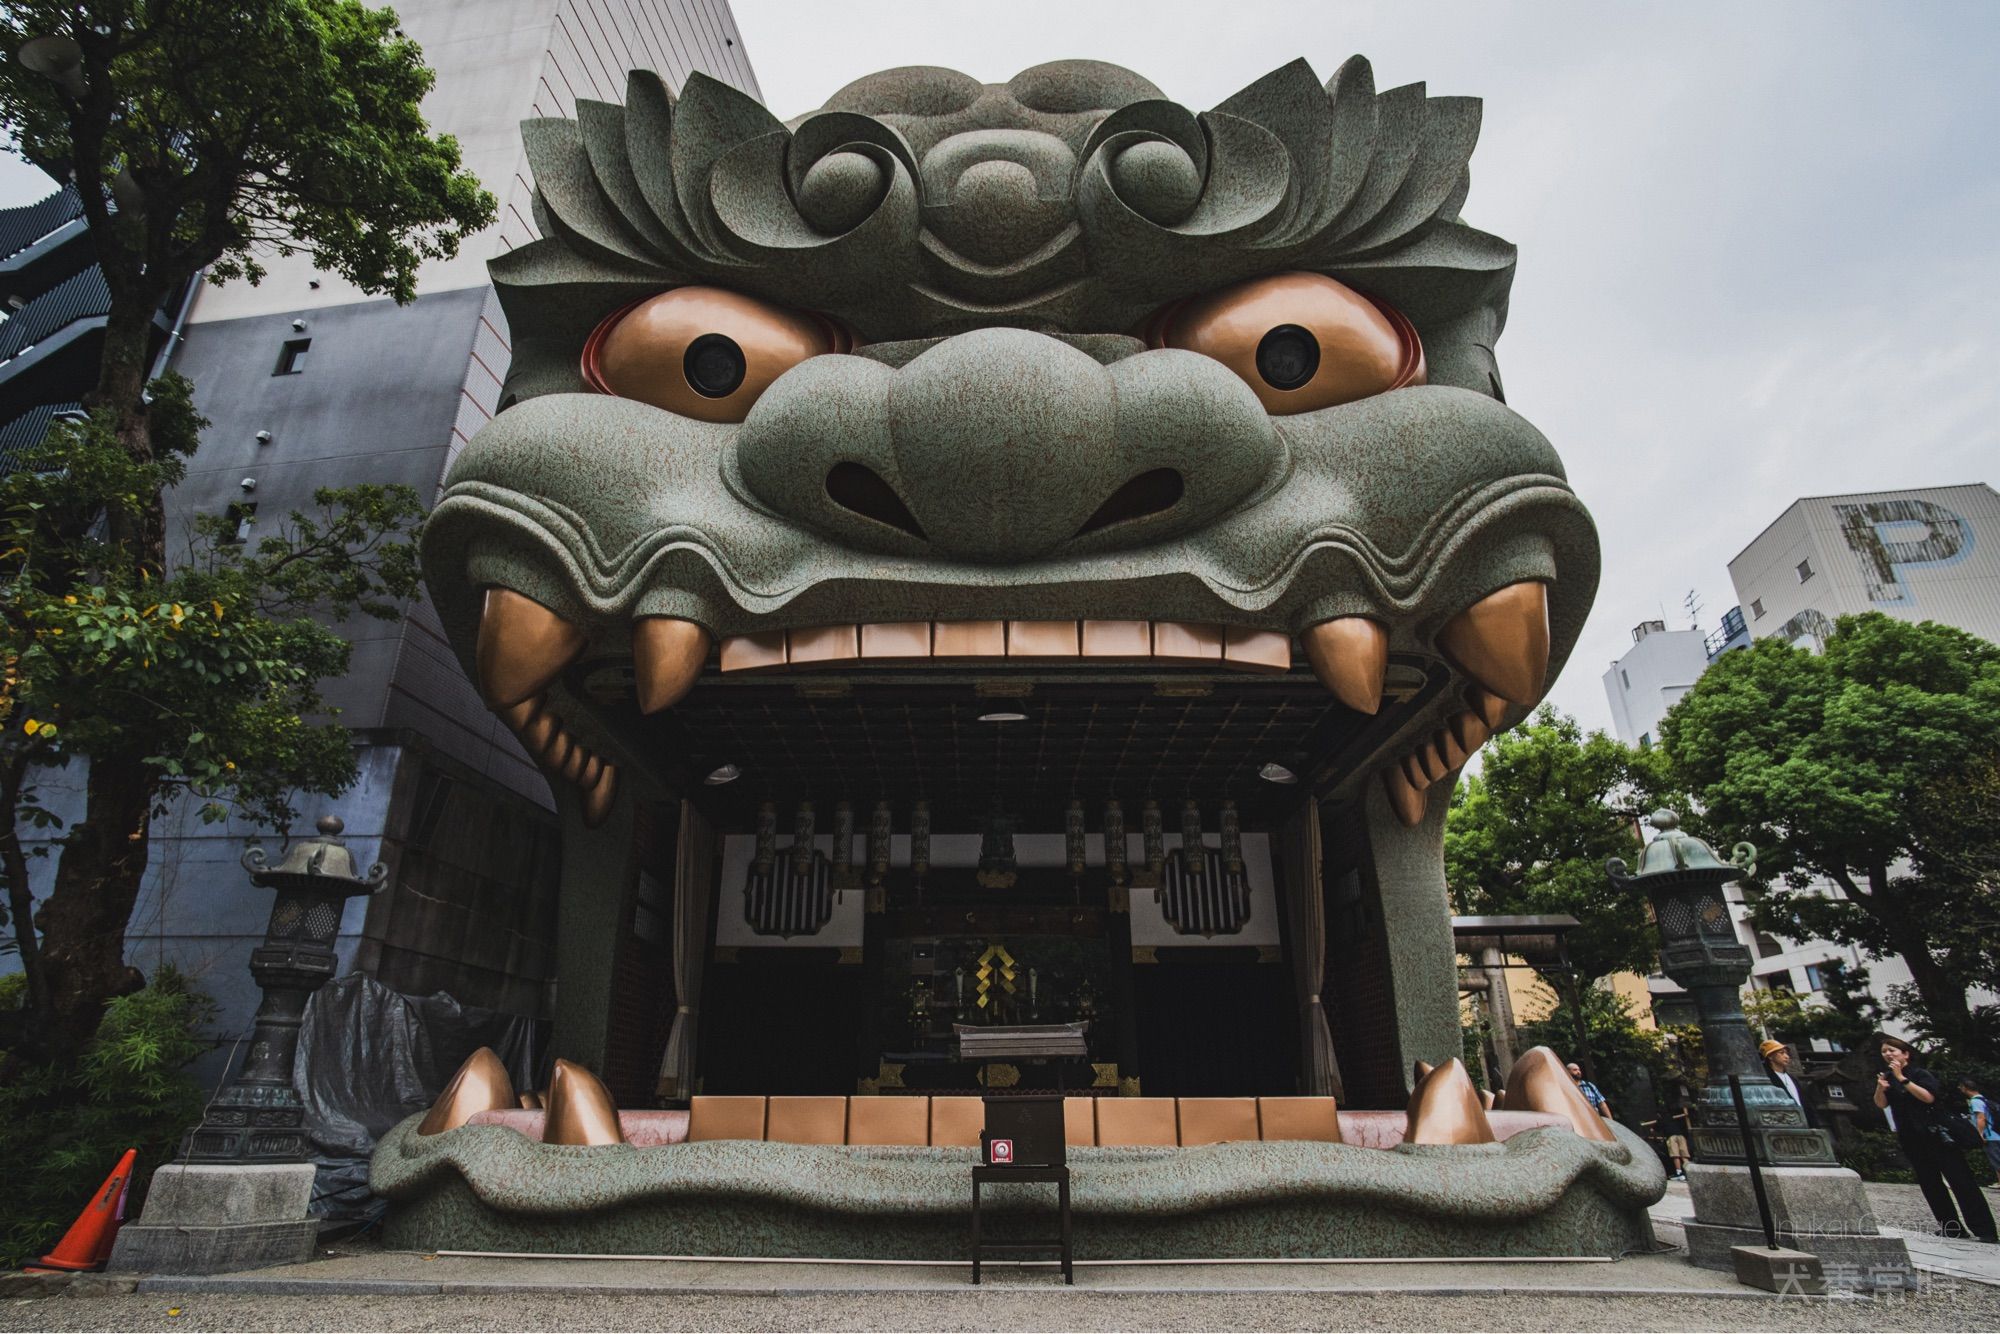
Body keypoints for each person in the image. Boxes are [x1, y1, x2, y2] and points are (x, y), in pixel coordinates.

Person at [1873, 1035, 1997, 1243]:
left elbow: (1928, 1097)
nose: (1888, 1054)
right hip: (1911, 1137)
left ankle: (1984, 1229)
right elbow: (1881, 1104)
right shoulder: (1887, 1077)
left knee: (1961, 1180)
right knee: (1930, 1183)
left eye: (1892, 1050)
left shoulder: (1919, 1074)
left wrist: (1903, 1078)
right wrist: (1880, 1087)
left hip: (1937, 1135)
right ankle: (1951, 1227)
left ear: (1905, 1054)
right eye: (1885, 1051)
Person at [1759, 1039, 1820, 1128]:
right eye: (1781, 1053)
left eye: (1786, 1053)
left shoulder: (1792, 1079)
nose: (1786, 1056)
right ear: (1770, 1056)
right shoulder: (1766, 1079)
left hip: (1804, 1123)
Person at [1962, 1077, 2000, 1180]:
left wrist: (1980, 1134)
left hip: (1990, 1135)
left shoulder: (1975, 1101)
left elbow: (1981, 1118)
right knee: (1996, 1160)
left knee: (1996, 1160)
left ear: (1965, 1088)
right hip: (1997, 1133)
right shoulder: (1984, 1099)